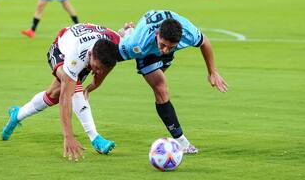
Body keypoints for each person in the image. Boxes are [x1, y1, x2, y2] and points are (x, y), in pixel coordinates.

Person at [87, 10, 228, 154]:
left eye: (171, 46)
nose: (165, 50)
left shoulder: (188, 33)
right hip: (146, 50)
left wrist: (212, 71)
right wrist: (93, 85)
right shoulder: (138, 44)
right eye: (163, 44)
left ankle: (129, 32)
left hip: (155, 43)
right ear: (157, 35)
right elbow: (110, 58)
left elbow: (205, 42)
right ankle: (182, 143)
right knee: (161, 88)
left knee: (161, 73)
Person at [2, 23, 119, 159]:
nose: (98, 72)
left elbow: (132, 40)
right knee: (72, 86)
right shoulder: (77, 55)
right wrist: (68, 136)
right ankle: (95, 138)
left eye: (102, 70)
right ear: (90, 54)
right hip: (60, 48)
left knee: (52, 96)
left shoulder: (116, 43)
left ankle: (17, 115)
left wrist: (96, 83)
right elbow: (65, 97)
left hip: (86, 42)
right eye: (97, 67)